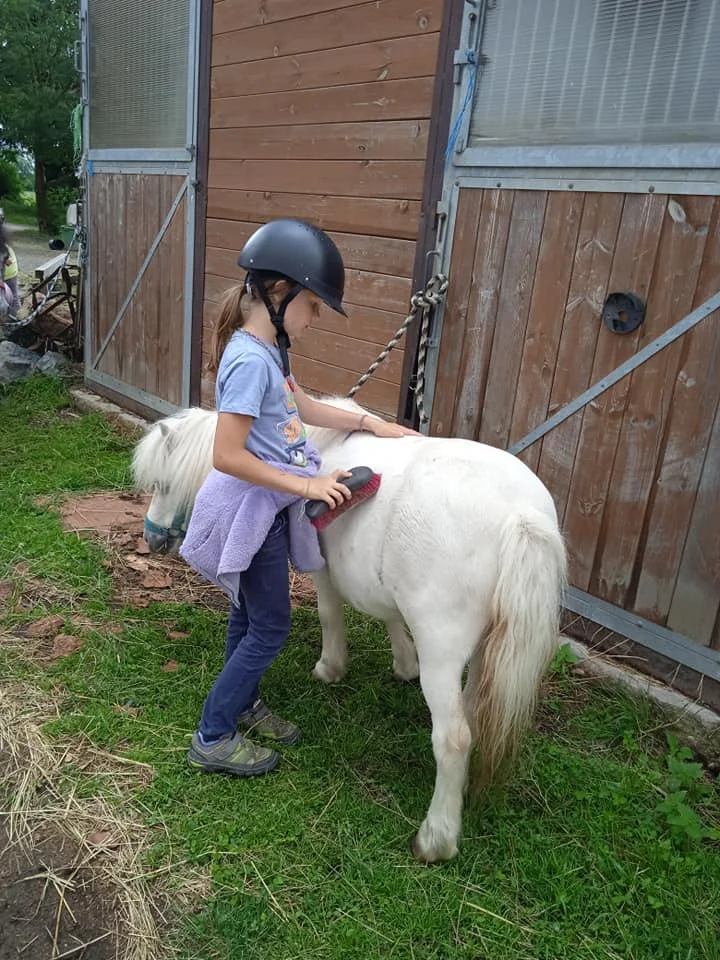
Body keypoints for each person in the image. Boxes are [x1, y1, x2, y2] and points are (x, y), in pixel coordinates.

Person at [182, 218, 419, 778]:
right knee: (271, 627)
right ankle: (213, 734)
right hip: (252, 509)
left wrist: (370, 423)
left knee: (249, 616)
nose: (314, 320)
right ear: (279, 294)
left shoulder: (269, 352)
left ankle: (242, 704)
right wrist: (309, 485)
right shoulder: (246, 361)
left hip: (265, 505)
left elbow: (304, 408)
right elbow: (227, 455)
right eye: (313, 306)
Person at [0, 209, 21, 322]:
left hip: (8, 272)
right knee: (13, 298)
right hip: (9, 270)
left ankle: (16, 322)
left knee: (13, 298)